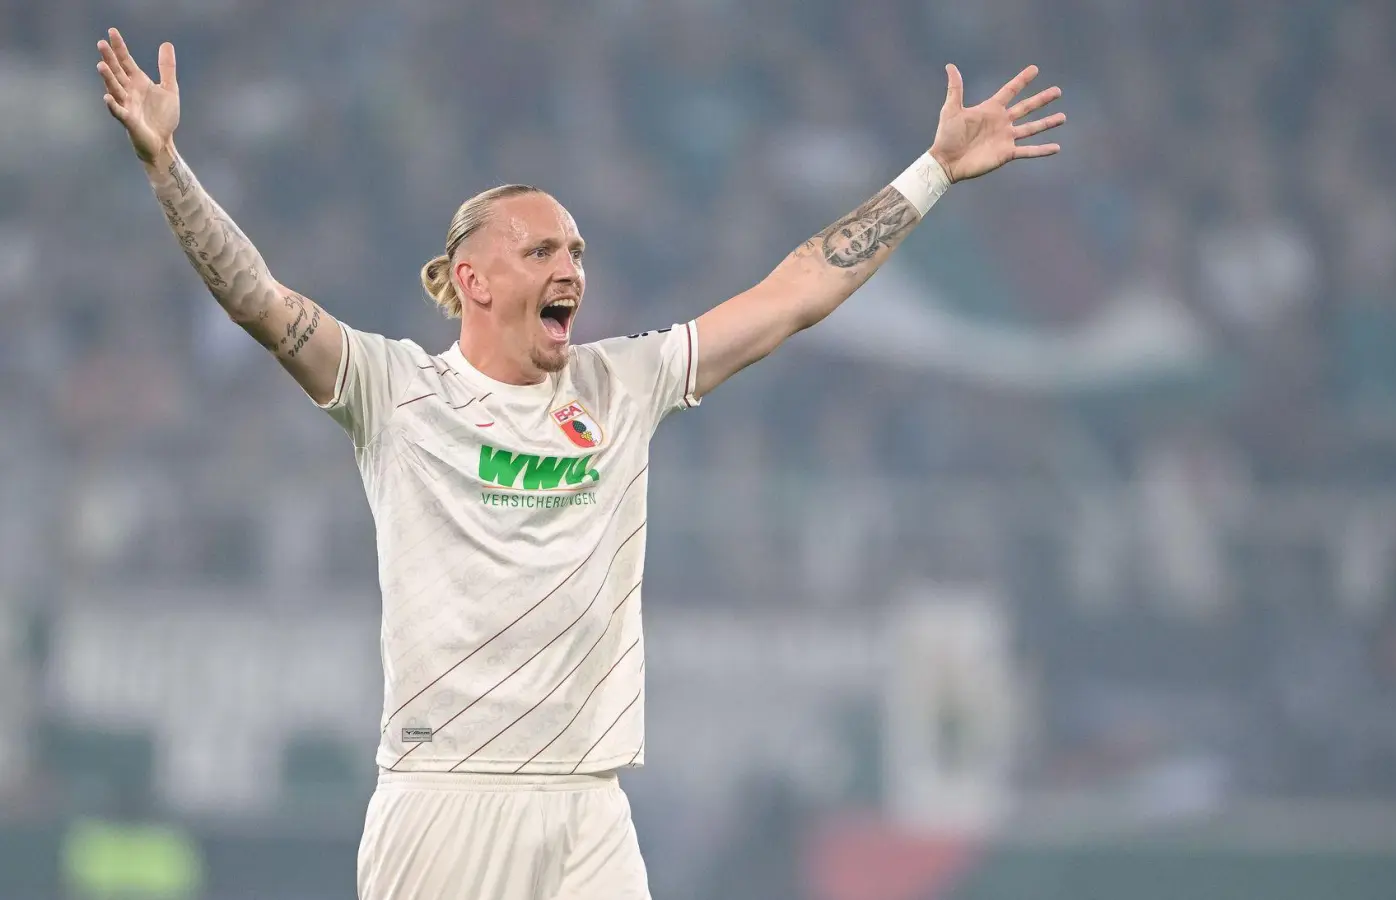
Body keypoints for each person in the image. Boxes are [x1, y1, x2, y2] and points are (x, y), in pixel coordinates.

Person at [94, 26, 1064, 900]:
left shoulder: (620, 386)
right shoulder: (394, 393)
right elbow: (258, 300)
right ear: (471, 279)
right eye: (541, 250)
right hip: (446, 802)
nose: (571, 268)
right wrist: (167, 165)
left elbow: (791, 295)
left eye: (578, 249)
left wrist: (931, 172)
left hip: (589, 809)